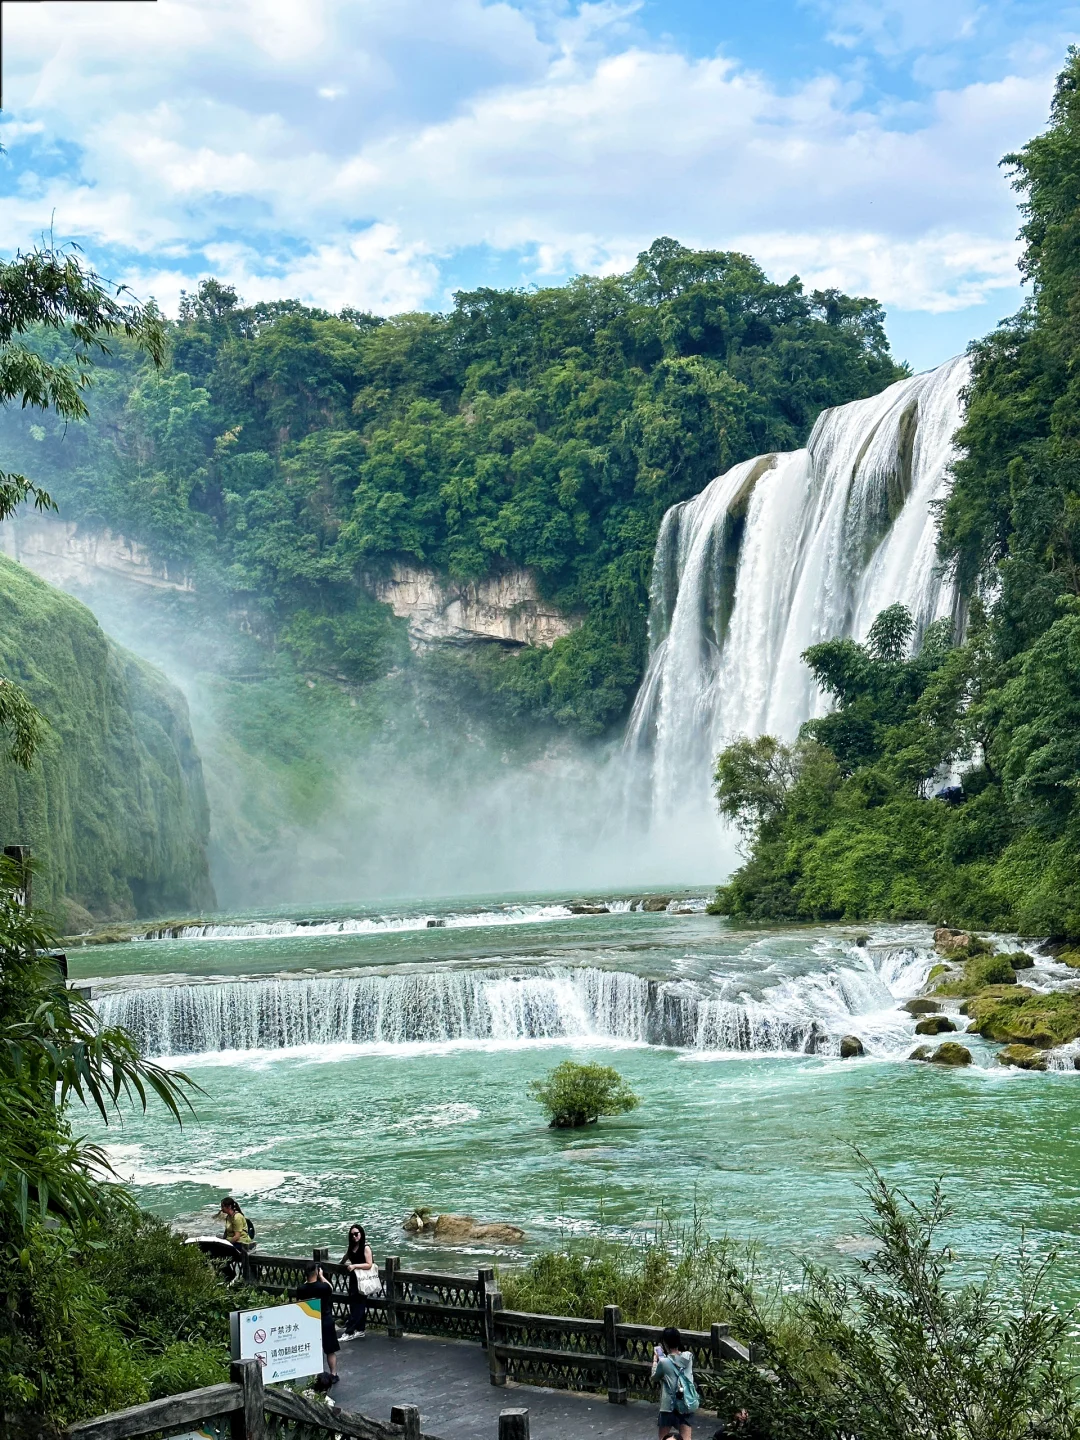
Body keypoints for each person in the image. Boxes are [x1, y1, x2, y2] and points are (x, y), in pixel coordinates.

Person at [295, 1262, 340, 1388]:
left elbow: (298, 1303)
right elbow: (331, 1288)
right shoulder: (323, 1287)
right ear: (317, 1272)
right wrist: (322, 1276)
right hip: (325, 1320)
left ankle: (315, 1375)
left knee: (313, 1349)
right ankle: (333, 1374)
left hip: (310, 1322)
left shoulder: (301, 1289)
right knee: (330, 1350)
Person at [651, 1327, 698, 1440]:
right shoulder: (688, 1357)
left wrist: (655, 1360)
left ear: (665, 1343)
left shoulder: (664, 1362)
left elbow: (654, 1377)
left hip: (669, 1405)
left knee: (663, 1437)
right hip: (686, 1402)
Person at [342, 1223, 375, 1338]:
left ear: (361, 1234)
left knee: (359, 1305)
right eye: (352, 1235)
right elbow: (346, 1257)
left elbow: (369, 1264)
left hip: (363, 1279)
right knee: (354, 1303)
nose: (354, 1237)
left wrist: (355, 1266)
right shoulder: (352, 1247)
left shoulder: (365, 1247)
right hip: (354, 1278)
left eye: (356, 1234)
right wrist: (341, 1264)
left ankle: (349, 1331)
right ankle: (360, 1329)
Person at [218, 1197, 253, 1266]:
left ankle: (228, 1274)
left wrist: (227, 1244)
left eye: (223, 1207)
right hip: (232, 1241)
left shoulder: (237, 1217)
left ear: (229, 1206)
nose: (221, 1209)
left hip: (241, 1242)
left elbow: (237, 1236)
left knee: (222, 1254)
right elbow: (227, 1232)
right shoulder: (228, 1217)